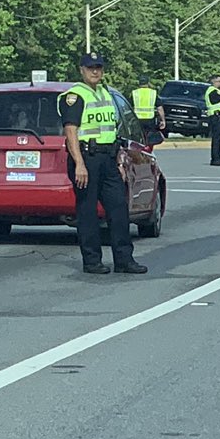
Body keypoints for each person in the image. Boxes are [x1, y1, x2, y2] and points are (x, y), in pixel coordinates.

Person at [61, 53, 145, 276]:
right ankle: (92, 261)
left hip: (108, 159)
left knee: (118, 209)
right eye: (90, 68)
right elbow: (70, 131)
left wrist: (118, 160)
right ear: (81, 70)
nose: (95, 71)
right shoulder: (75, 96)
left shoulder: (105, 93)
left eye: (98, 67)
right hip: (86, 158)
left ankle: (124, 260)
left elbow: (111, 130)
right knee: (87, 212)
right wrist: (79, 164)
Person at [130, 77, 164, 145]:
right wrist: (163, 120)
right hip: (150, 120)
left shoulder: (135, 93)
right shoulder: (153, 93)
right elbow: (159, 108)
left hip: (138, 120)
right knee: (150, 139)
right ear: (148, 83)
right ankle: (148, 149)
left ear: (139, 83)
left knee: (138, 139)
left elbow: (129, 107)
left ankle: (140, 149)